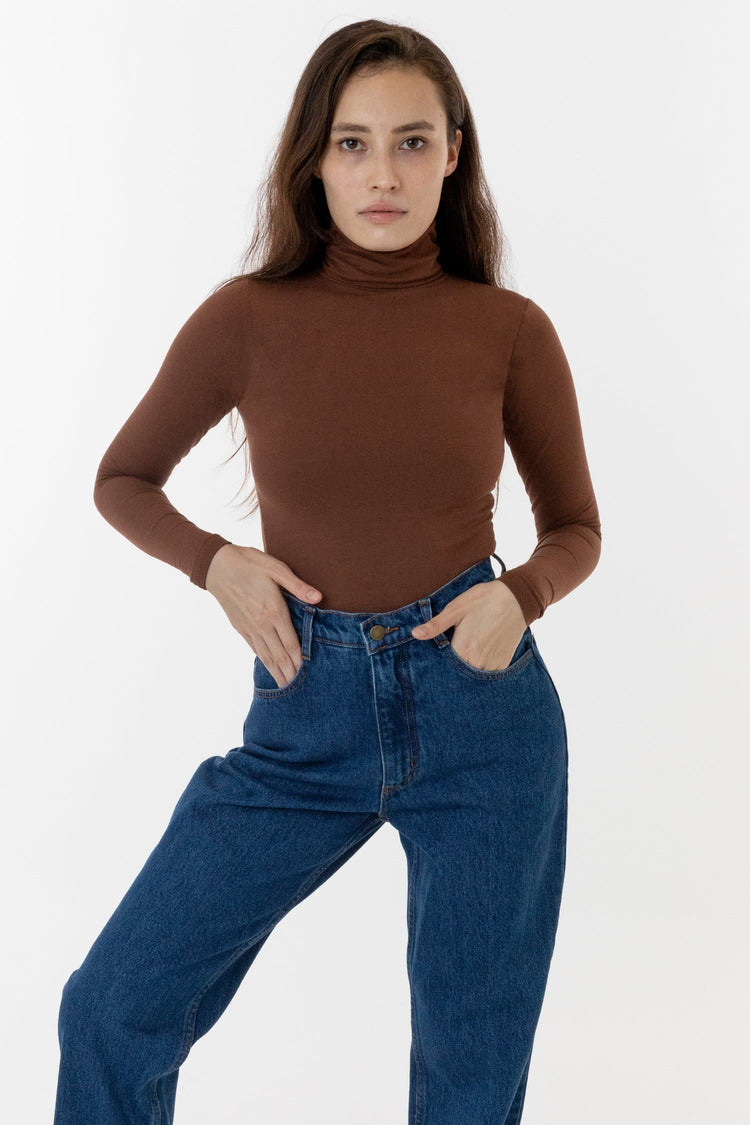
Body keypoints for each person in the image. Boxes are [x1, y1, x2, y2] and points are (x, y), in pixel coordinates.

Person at [53, 19, 601, 1125]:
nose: (382, 174)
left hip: (482, 715)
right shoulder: (246, 319)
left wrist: (521, 594)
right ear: (314, 159)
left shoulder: (507, 329)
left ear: (454, 154)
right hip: (305, 712)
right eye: (353, 144)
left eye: (411, 142)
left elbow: (576, 528)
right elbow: (123, 479)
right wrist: (216, 564)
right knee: (112, 1005)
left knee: (470, 1073)